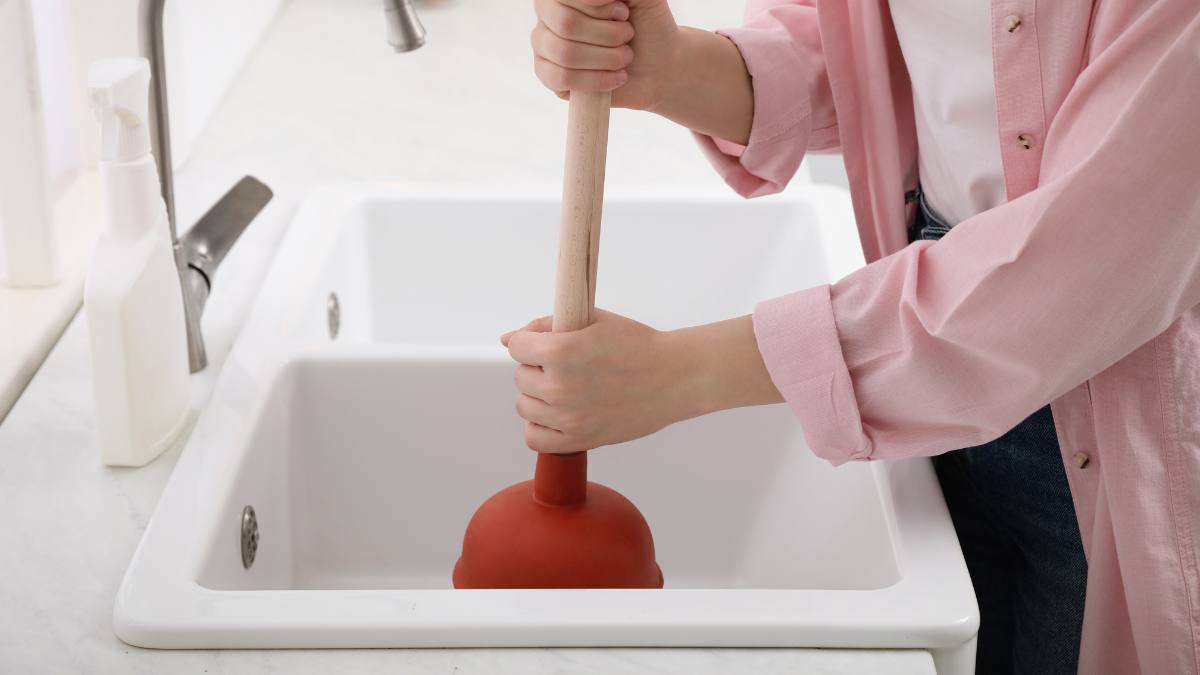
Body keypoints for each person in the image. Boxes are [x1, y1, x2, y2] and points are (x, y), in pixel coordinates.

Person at [505, 1, 1200, 673]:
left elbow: (1084, 260)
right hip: (917, 350)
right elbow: (858, 49)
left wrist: (678, 373)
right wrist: (675, 69)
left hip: (1111, 387)